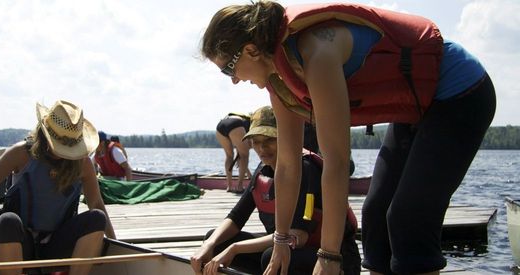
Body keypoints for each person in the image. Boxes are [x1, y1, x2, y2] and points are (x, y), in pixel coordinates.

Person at [201, 2, 496, 275]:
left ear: (251, 50)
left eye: (229, 68)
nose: (234, 79)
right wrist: (279, 240)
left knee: (409, 217)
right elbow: (288, 166)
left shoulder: (316, 52)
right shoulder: (279, 82)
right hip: (416, 109)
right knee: (375, 213)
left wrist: (329, 255)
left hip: (460, 93)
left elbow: (337, 162)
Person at [0, 100, 116, 275]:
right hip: (21, 241)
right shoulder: (21, 154)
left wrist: (114, 242)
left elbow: (96, 203)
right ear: (45, 134)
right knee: (7, 220)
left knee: (96, 218)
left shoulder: (82, 164)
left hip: (57, 243)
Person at [191, 106, 360, 275]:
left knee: (270, 256)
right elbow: (236, 218)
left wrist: (235, 248)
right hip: (284, 250)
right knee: (216, 240)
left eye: (269, 140)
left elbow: (297, 235)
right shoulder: (262, 170)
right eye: (256, 142)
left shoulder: (306, 169)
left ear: (285, 137)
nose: (262, 149)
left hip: (335, 262)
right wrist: (209, 244)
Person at [216, 112, 253, 193]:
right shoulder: (253, 125)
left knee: (229, 156)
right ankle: (239, 187)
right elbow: (244, 153)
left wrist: (250, 175)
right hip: (235, 124)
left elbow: (239, 156)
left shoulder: (245, 120)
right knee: (245, 156)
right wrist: (250, 175)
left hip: (221, 125)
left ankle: (229, 186)